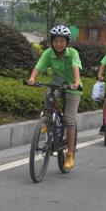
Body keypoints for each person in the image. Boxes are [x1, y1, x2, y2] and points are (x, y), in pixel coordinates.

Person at [28, 25, 81, 171]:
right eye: (56, 41)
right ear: (52, 41)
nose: (58, 44)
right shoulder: (48, 53)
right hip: (57, 81)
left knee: (70, 119)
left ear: (67, 42)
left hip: (72, 85)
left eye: (62, 41)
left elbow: (75, 68)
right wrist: (32, 78)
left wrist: (76, 83)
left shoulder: (72, 53)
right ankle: (48, 120)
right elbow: (38, 67)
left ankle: (69, 153)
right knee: (49, 93)